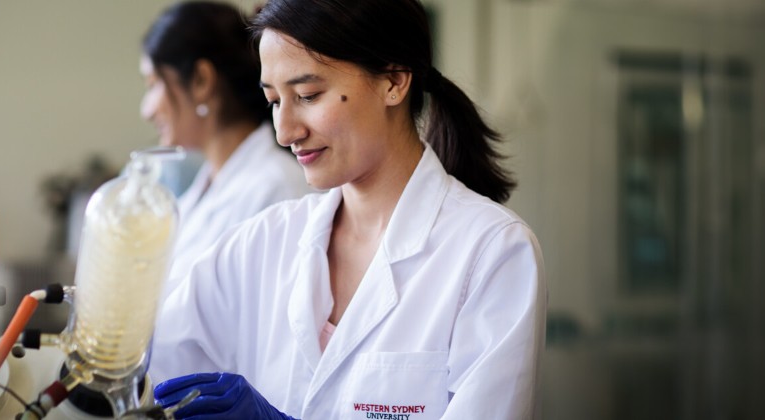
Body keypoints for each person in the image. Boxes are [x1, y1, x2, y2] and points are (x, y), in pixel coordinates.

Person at [148, 0, 546, 418]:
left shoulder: (493, 252)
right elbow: (142, 369)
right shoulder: (262, 242)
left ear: (393, 80)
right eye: (275, 101)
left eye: (307, 95)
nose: (285, 132)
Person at [139, 1, 313, 296]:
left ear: (201, 80)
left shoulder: (277, 187)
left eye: (154, 83)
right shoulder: (208, 184)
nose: (147, 109)